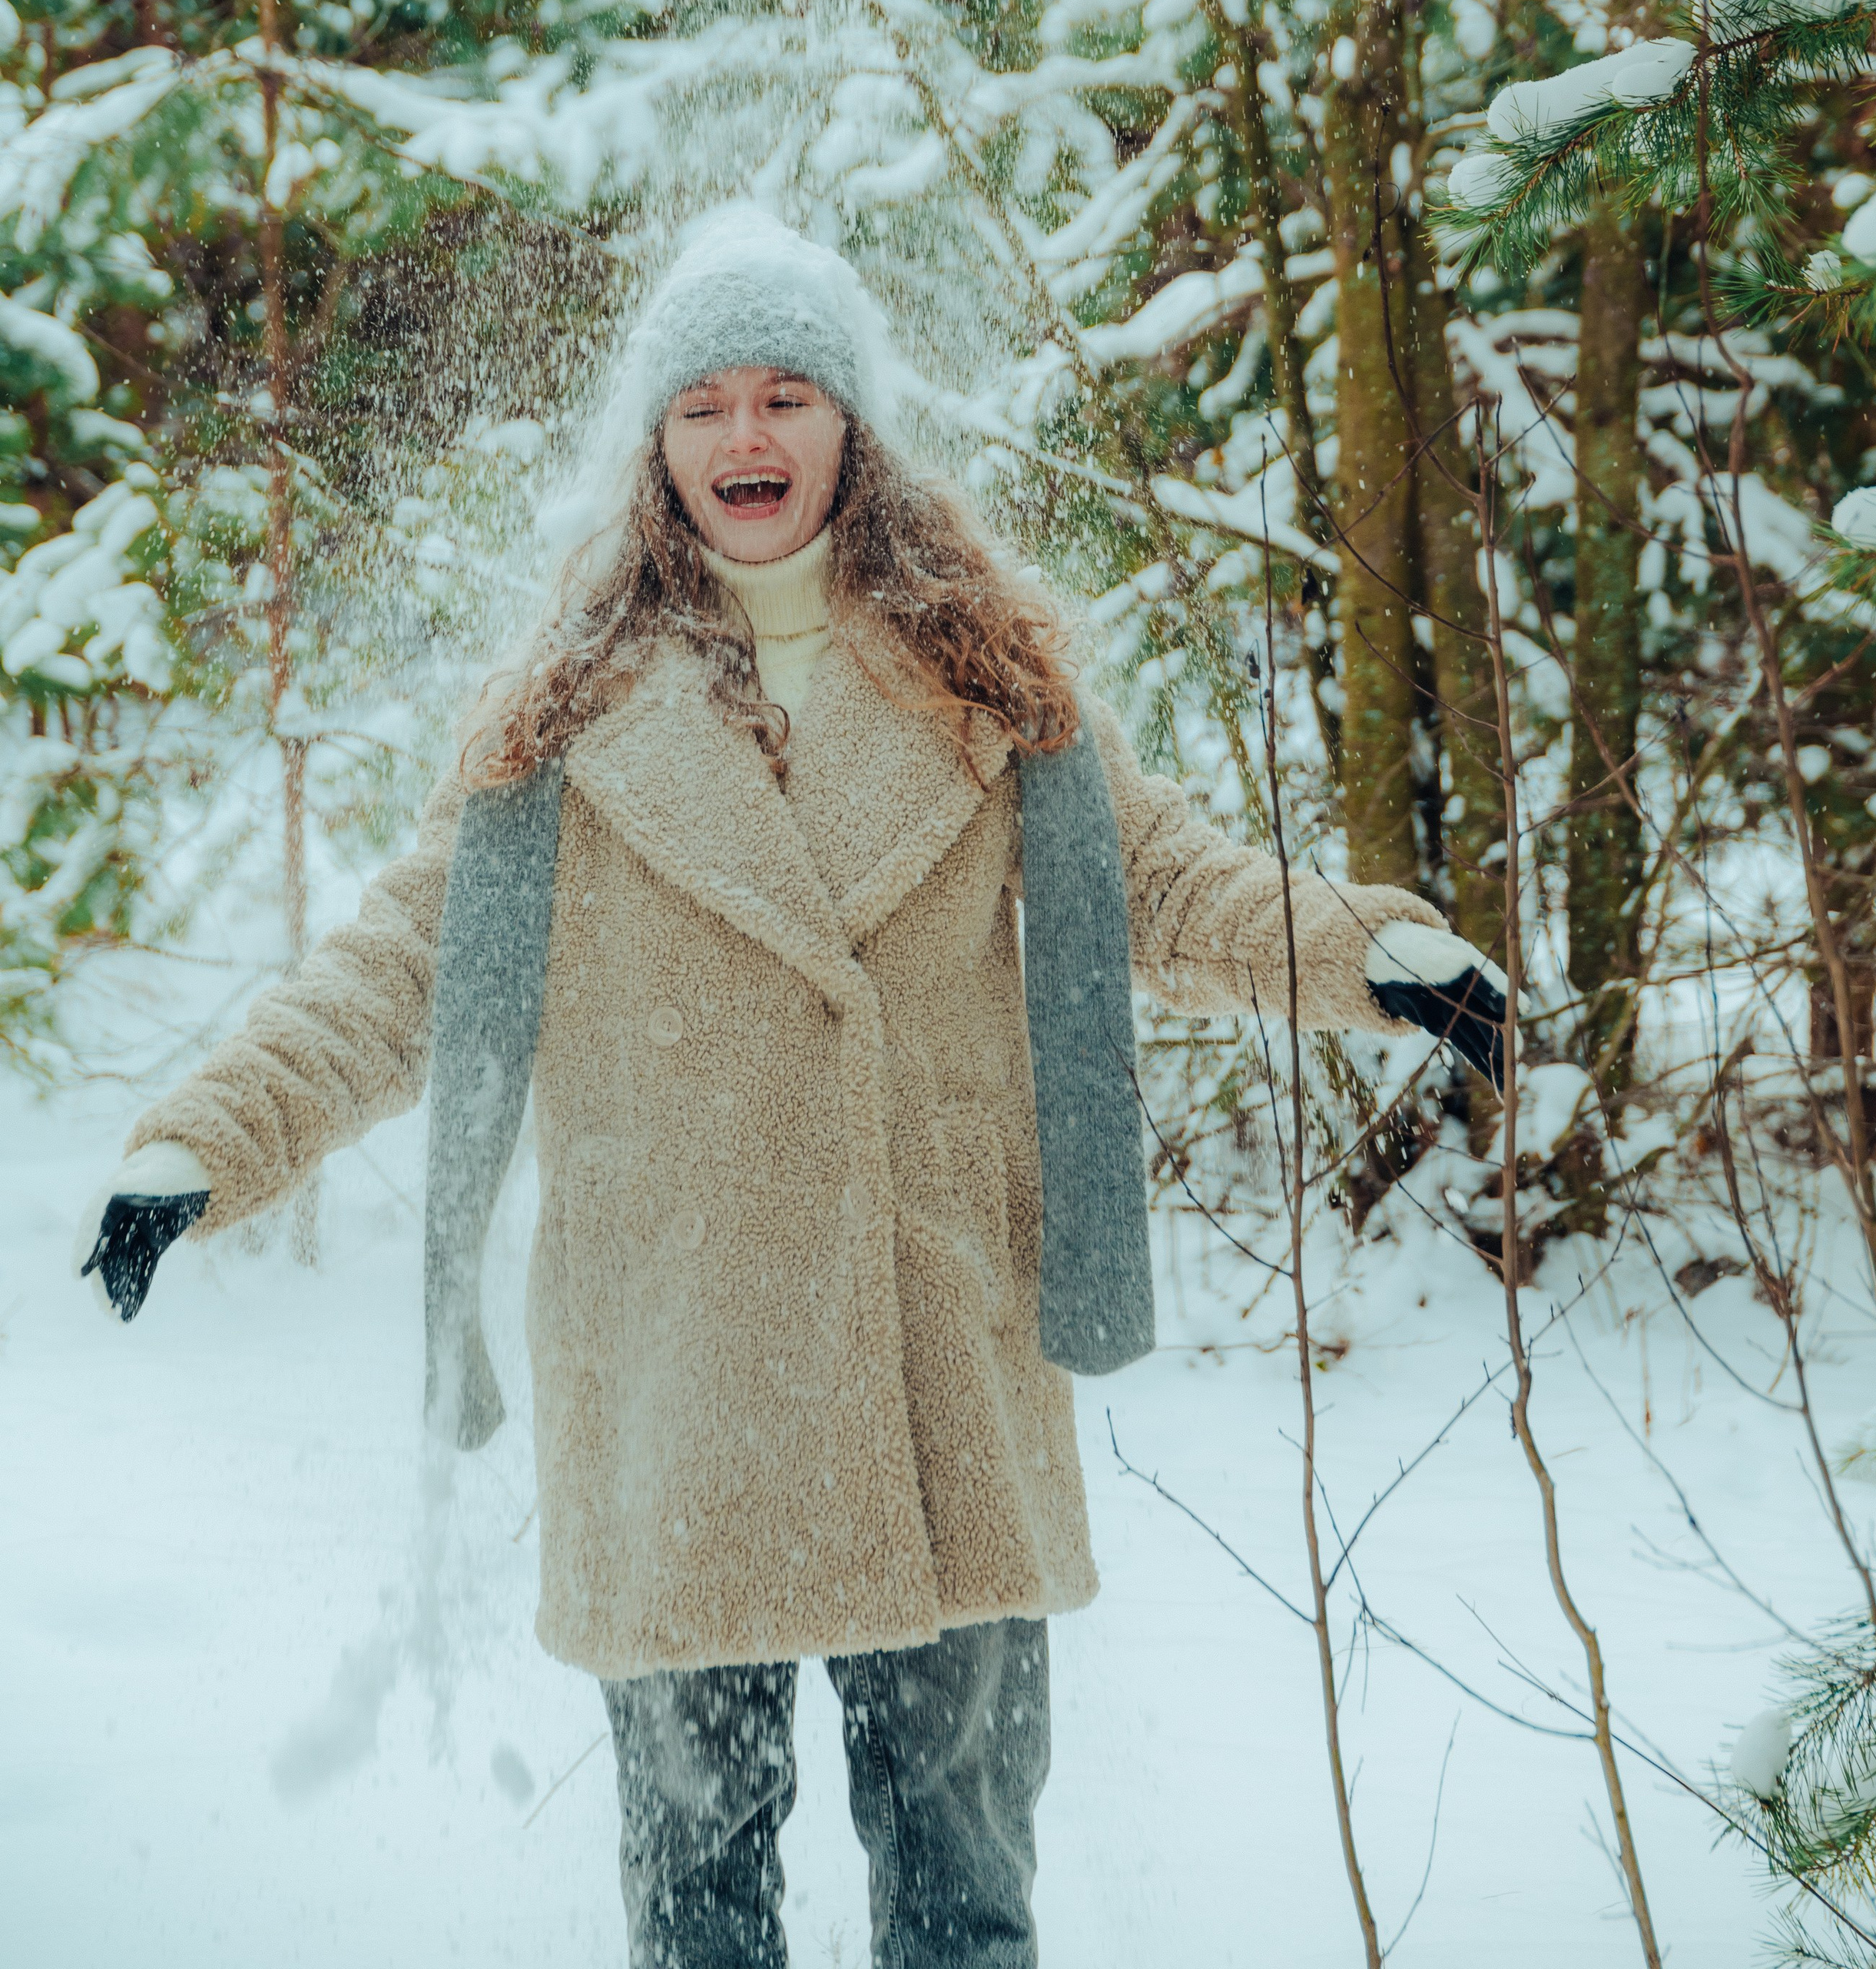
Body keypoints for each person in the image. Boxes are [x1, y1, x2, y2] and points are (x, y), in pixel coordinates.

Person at [76, 207, 1503, 1969]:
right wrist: (204, 1142)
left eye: (786, 395)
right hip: (678, 1386)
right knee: (698, 1913)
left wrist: (1369, 953)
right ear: (653, 444)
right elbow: (403, 974)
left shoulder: (992, 681)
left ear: (852, 428)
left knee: (965, 1906)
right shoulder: (559, 721)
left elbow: (1170, 887)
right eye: (702, 405)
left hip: (936, 1372)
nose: (745, 439)